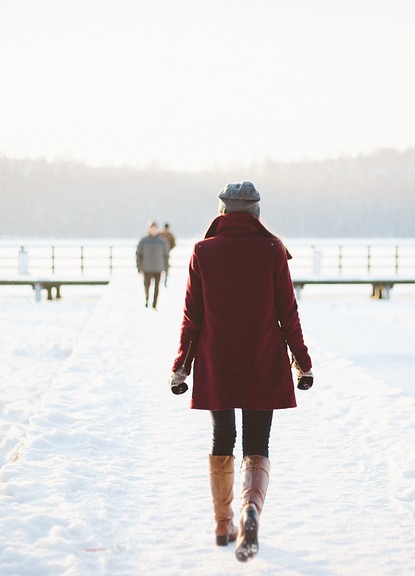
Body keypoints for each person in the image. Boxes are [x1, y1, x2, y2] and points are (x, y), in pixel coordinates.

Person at [169, 181, 314, 562]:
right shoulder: (272, 251)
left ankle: (223, 523)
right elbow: (288, 312)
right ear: (255, 213)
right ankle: (251, 512)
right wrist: (302, 359)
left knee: (222, 438)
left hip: (217, 358)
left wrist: (182, 364)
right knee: (257, 444)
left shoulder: (203, 251)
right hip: (263, 357)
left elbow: (192, 315)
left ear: (222, 212)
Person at [136, 221, 170, 309]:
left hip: (158, 268)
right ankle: (147, 299)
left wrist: (166, 268)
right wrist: (139, 266)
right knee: (147, 285)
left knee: (157, 287)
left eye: (155, 229)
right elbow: (138, 254)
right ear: (149, 229)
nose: (153, 230)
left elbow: (166, 255)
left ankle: (154, 304)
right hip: (147, 268)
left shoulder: (162, 241)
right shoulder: (144, 241)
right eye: (152, 228)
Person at [160, 223, 176, 287]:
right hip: (160, 254)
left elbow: (173, 244)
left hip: (166, 254)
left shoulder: (170, 235)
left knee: (166, 268)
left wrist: (169, 249)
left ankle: (165, 282)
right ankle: (160, 281)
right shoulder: (160, 234)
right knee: (160, 268)